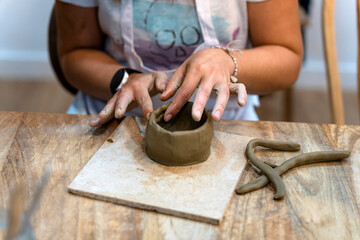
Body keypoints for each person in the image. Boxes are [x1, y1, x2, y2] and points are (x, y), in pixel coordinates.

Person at [56, 0, 303, 127]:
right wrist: (126, 79)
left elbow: (286, 56)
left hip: (225, 117)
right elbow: (75, 52)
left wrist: (227, 61)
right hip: (111, 112)